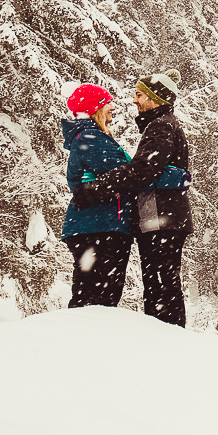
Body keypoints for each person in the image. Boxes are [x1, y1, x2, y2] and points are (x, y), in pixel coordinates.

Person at [73, 70, 192, 326]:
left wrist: (95, 189)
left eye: (139, 95)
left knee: (161, 285)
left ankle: (167, 338)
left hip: (160, 219)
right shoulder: (162, 125)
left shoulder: (161, 126)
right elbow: (151, 171)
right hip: (160, 217)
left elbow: (141, 170)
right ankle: (166, 335)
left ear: (156, 98)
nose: (134, 101)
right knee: (161, 283)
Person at [60, 83, 135, 309]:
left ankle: (85, 336)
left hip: (95, 225)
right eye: (107, 103)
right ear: (95, 109)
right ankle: (85, 338)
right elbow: (127, 174)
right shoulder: (91, 137)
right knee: (99, 296)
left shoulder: (91, 137)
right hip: (99, 226)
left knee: (92, 292)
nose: (113, 108)